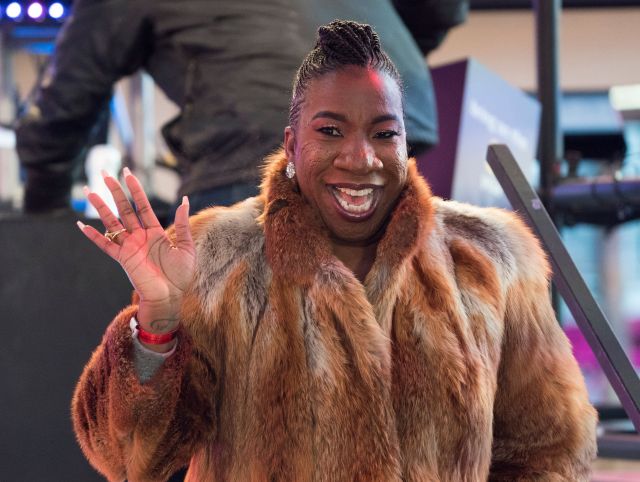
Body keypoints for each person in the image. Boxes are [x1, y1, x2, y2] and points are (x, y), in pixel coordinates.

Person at [73, 21, 597, 482]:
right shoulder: (217, 257)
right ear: (293, 145)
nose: (361, 157)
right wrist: (159, 324)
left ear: (405, 144)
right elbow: (130, 459)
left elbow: (548, 452)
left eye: (383, 133)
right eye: (330, 131)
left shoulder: (492, 257)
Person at [15, 0, 468, 214]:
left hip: (251, 158)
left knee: (236, 373)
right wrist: (370, 65)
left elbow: (62, 105)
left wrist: (46, 211)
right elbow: (442, 10)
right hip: (383, 152)